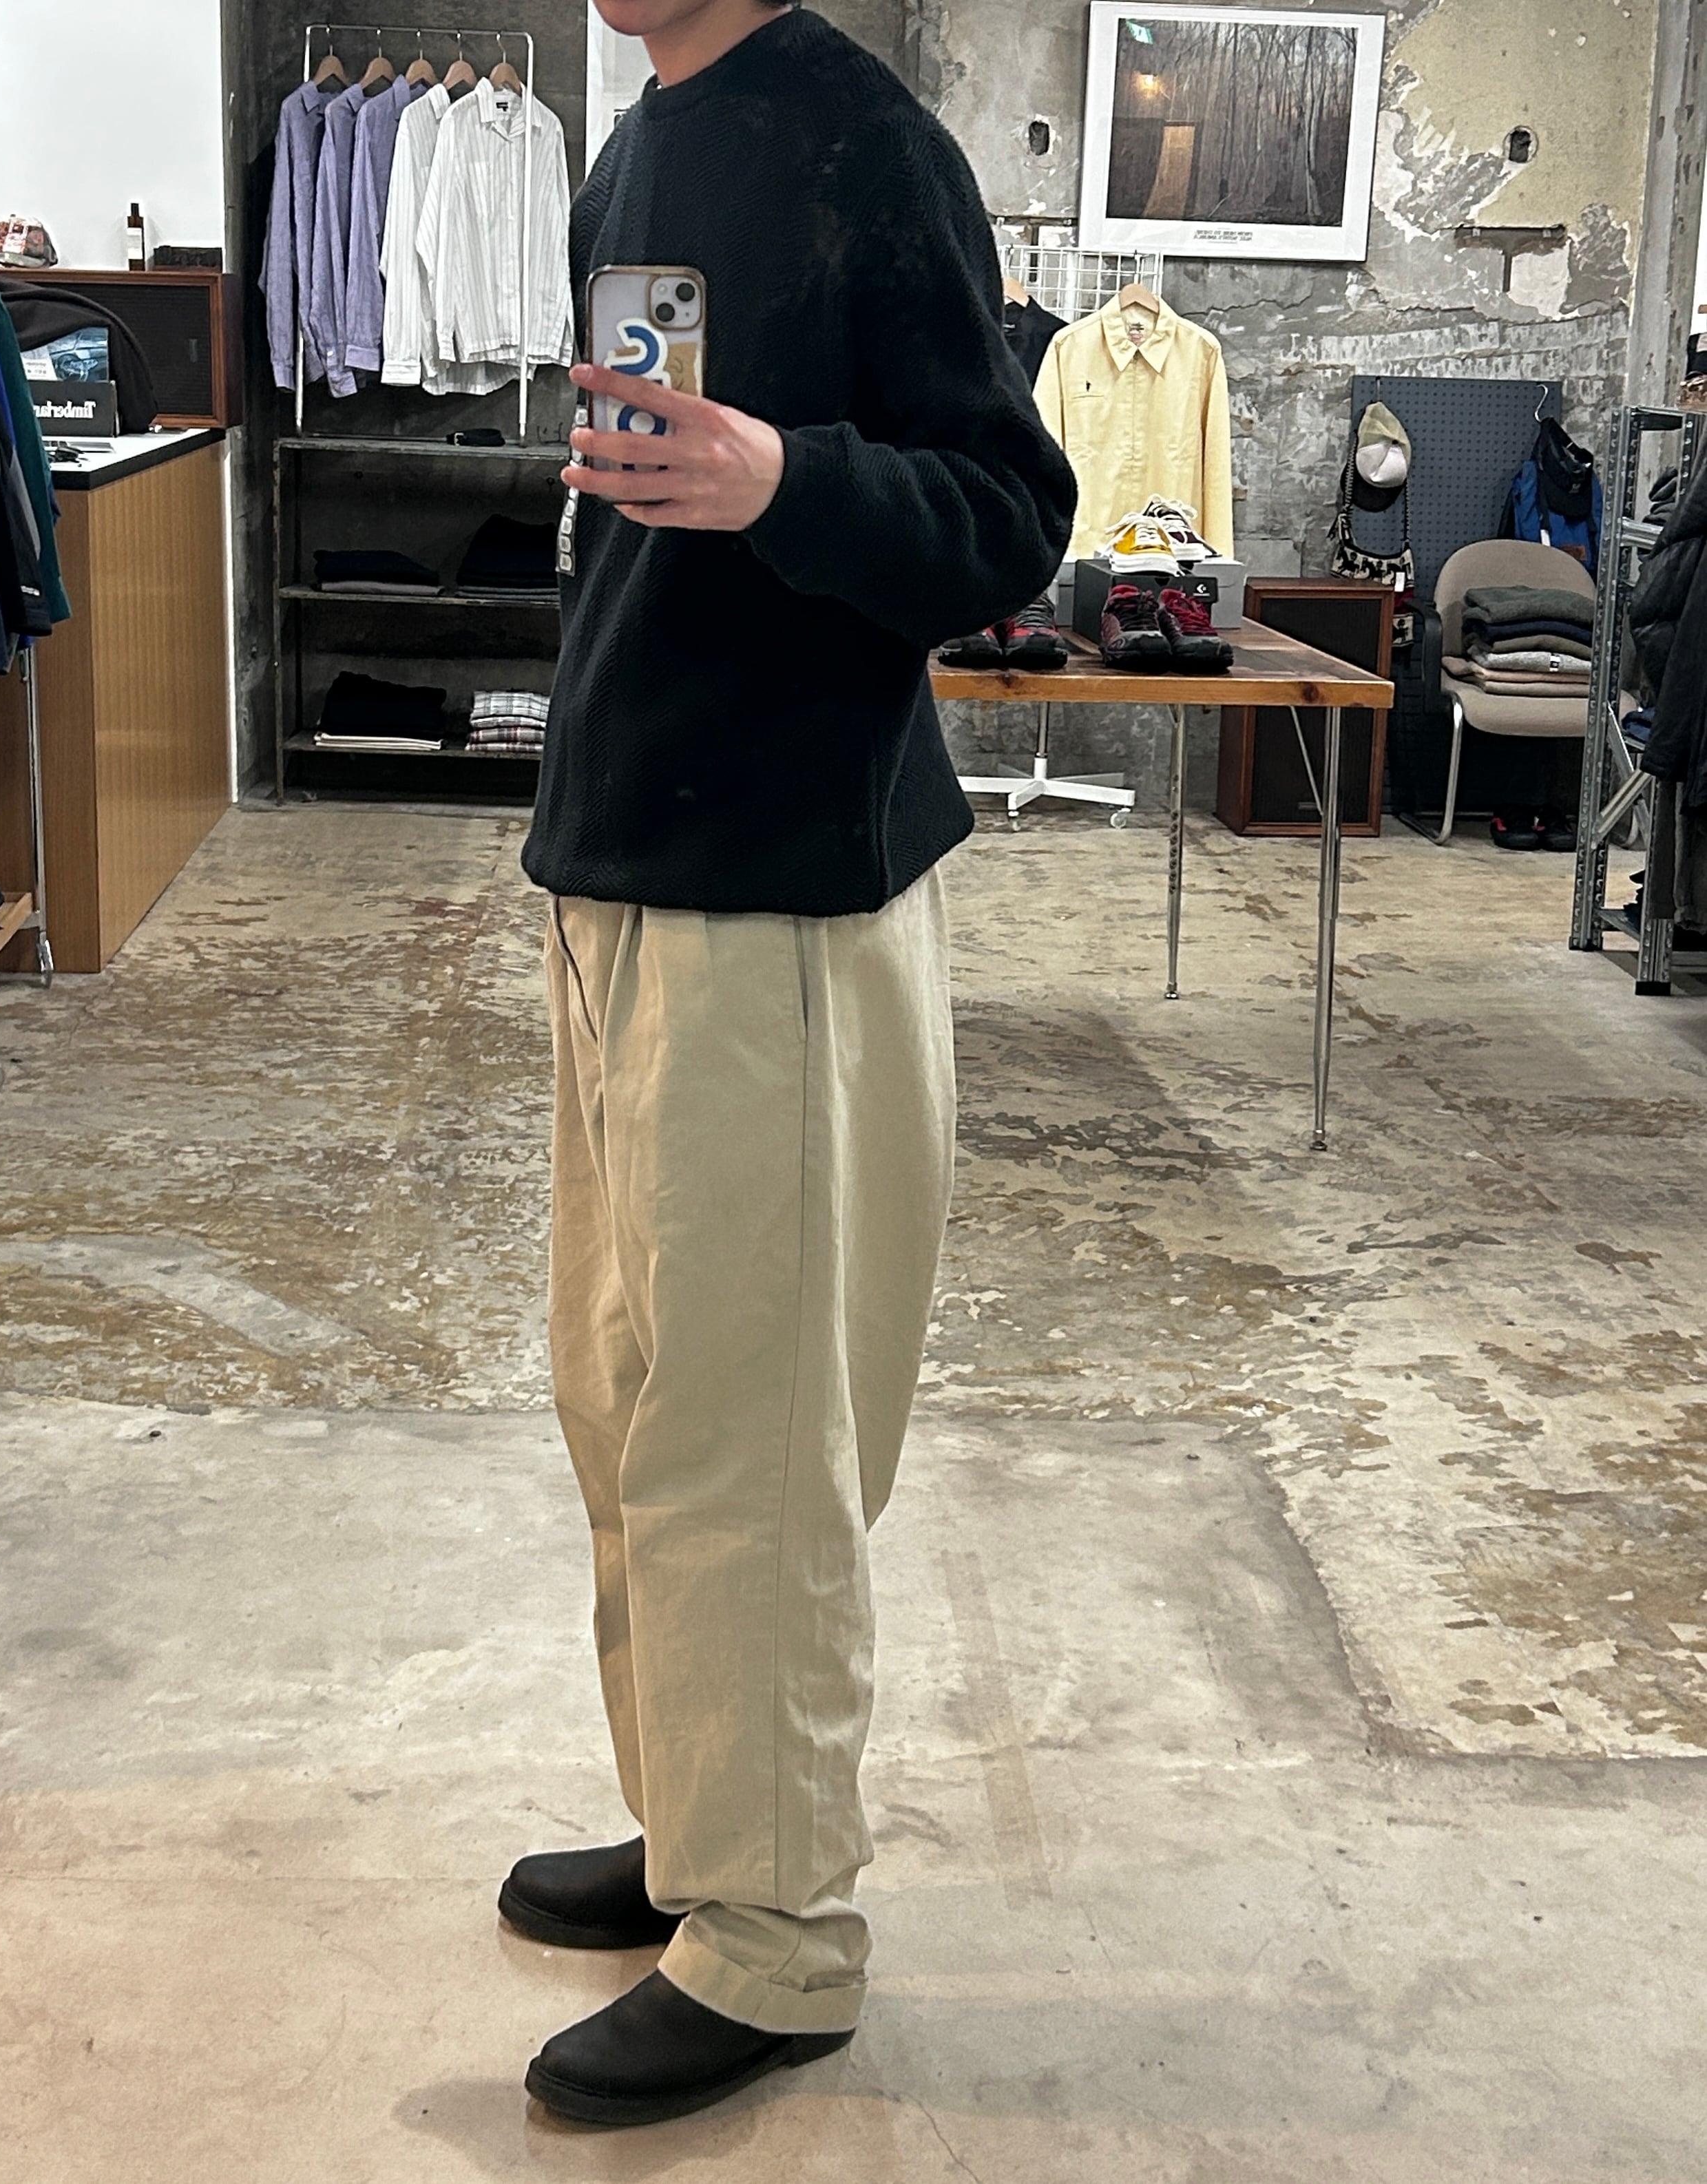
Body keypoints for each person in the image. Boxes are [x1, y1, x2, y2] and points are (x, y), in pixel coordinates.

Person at [503, 0, 1078, 2128]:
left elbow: (1005, 512)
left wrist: (780, 477)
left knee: (747, 1438)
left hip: (781, 892)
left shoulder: (861, 142)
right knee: (624, 1395)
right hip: (622, 858)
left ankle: (774, 1938)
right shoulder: (635, 140)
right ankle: (697, 1835)